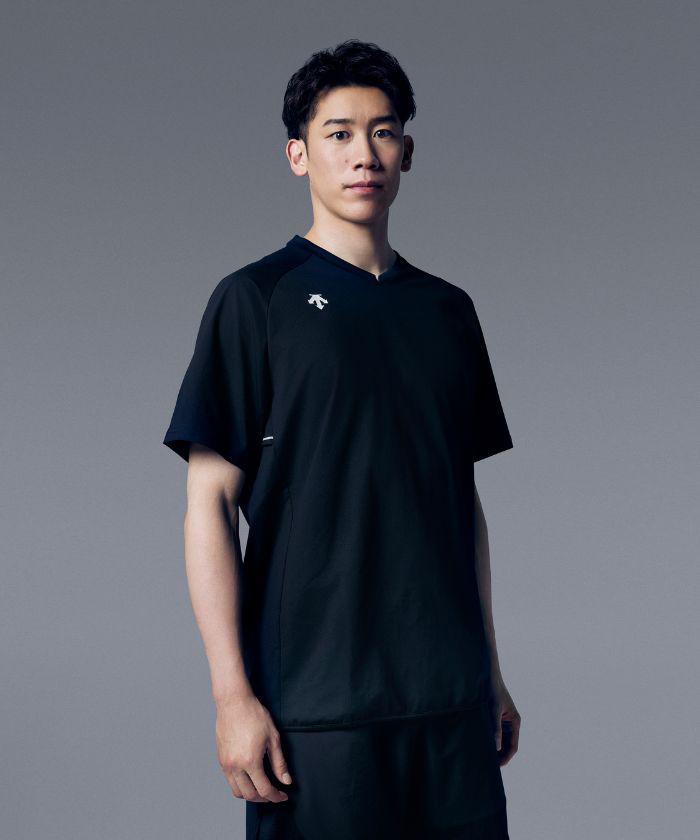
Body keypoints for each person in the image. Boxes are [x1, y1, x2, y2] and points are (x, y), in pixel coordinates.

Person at [163, 38, 521, 840]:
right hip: (317, 706)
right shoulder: (256, 300)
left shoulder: (448, 312)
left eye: (383, 132)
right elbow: (209, 504)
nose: (365, 154)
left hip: (450, 703)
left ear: (407, 152)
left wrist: (490, 673)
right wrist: (232, 696)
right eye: (339, 133)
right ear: (299, 155)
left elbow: (459, 500)